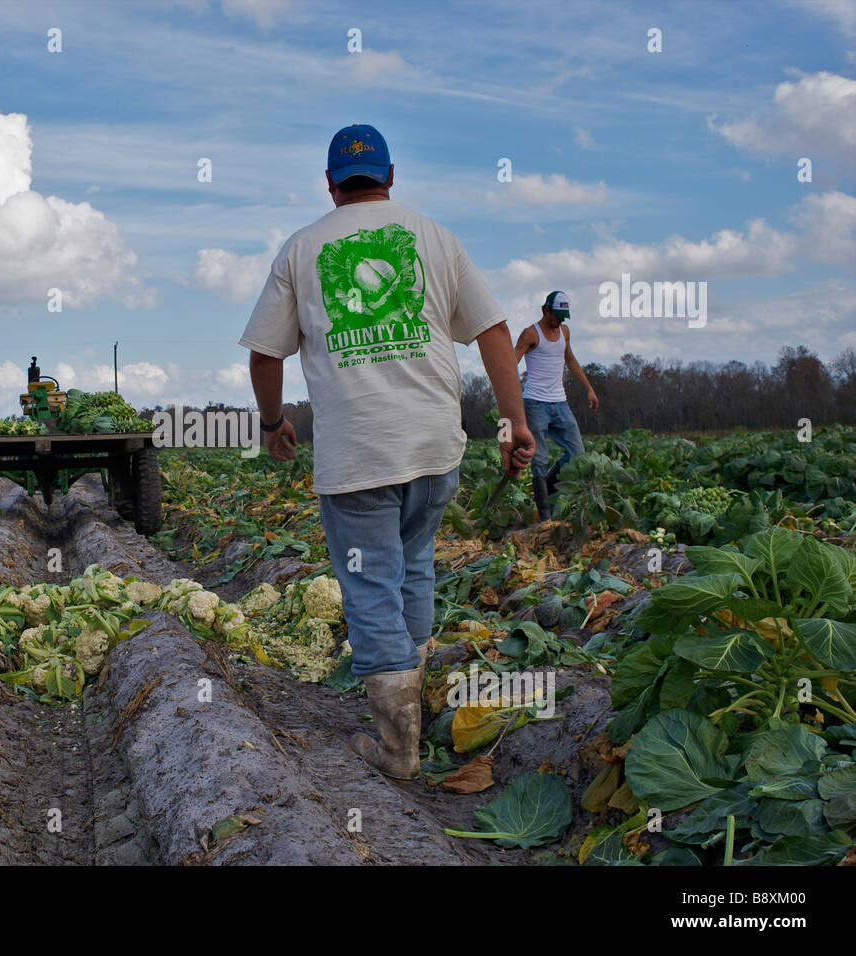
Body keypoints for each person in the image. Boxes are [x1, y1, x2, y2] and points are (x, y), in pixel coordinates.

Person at [240, 124, 534, 780]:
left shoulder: (302, 248)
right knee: (413, 566)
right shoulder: (436, 237)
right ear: (391, 175)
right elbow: (494, 331)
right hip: (434, 449)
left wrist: (272, 422)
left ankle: (397, 747)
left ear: (328, 183)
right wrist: (514, 422)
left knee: (370, 584)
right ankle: (411, 693)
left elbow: (265, 352)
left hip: (357, 455)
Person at [513, 291, 598, 520]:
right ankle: (545, 516)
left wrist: (589, 388)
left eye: (564, 316)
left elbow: (570, 359)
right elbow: (512, 362)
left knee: (577, 452)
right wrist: (509, 400)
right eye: (557, 316)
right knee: (539, 459)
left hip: (560, 402)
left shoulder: (564, 331)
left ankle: (548, 489)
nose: (560, 321)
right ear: (545, 310)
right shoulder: (531, 333)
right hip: (535, 403)